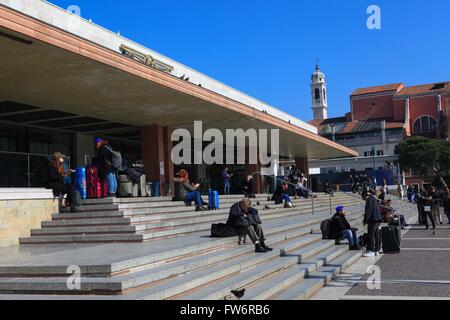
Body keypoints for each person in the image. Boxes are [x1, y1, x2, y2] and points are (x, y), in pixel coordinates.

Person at [363, 189, 383, 257]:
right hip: (378, 219)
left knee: (371, 235)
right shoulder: (374, 199)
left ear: (365, 196)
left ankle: (371, 251)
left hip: (373, 220)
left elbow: (368, 210)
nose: (363, 199)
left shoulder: (369, 199)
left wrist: (365, 220)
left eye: (363, 197)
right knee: (376, 234)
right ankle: (376, 250)